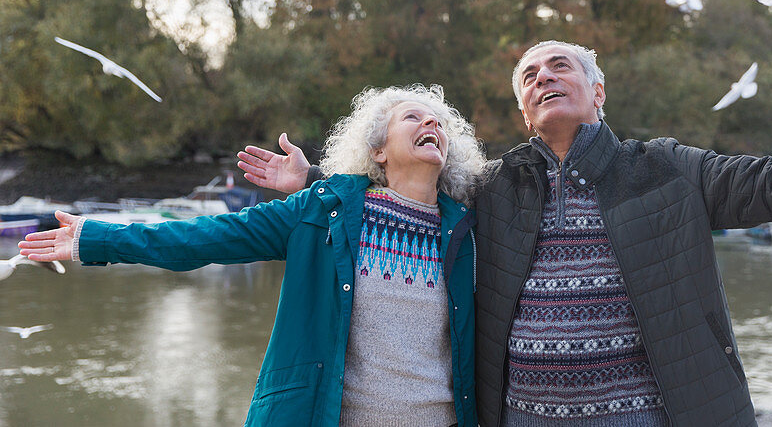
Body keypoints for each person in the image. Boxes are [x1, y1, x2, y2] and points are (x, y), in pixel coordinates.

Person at [238, 41, 772, 427]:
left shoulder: (666, 170)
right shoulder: (495, 188)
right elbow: (404, 194)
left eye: (560, 66)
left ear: (599, 91)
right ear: (523, 111)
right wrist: (311, 185)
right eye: (528, 76)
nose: (542, 77)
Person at [20, 84, 483, 427]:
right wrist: (97, 239)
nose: (432, 126)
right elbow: (204, 239)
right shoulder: (321, 212)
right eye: (414, 118)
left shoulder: (470, 230)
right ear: (378, 151)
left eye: (439, 123)